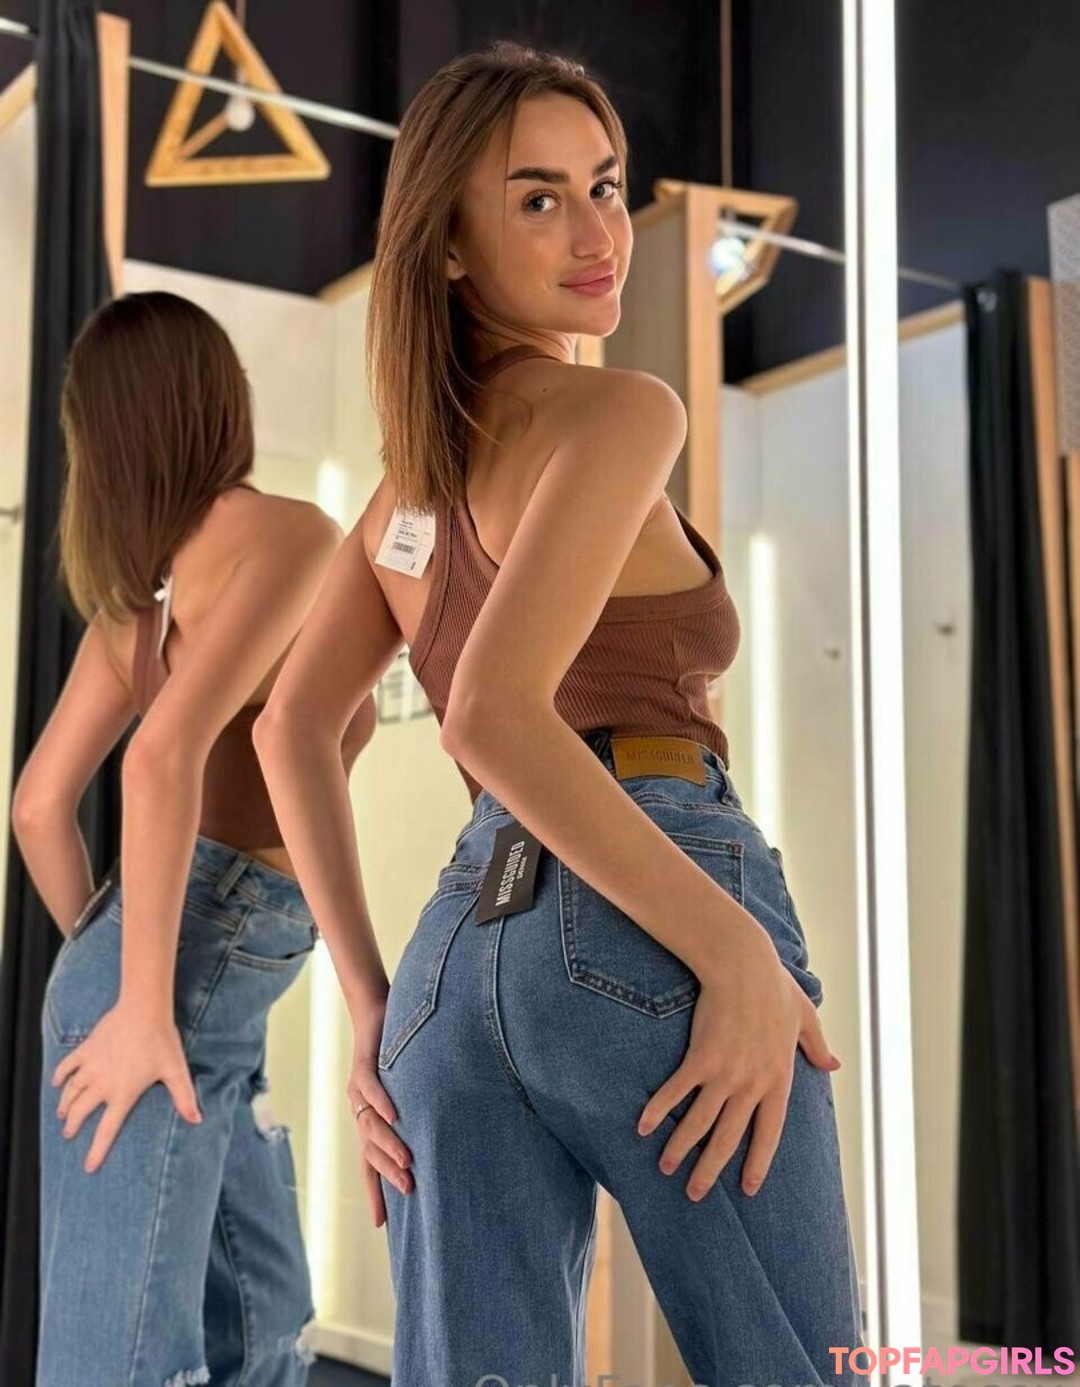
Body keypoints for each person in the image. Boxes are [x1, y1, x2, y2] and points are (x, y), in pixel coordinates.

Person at [254, 40, 865, 1387]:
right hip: (651, 906)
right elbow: (490, 713)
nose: (598, 233)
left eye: (604, 185)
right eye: (538, 198)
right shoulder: (620, 413)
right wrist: (735, 953)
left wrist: (369, 1004)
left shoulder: (408, 497)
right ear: (448, 244)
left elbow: (288, 727)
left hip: (451, 968)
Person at [12, 290, 375, 1386]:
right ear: (219, 399)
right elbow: (157, 758)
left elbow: (38, 808)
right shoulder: (289, 535)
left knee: (265, 1325)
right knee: (120, 1362)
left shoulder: (138, 605)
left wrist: (109, 954)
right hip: (173, 983)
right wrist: (136, 998)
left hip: (183, 980)